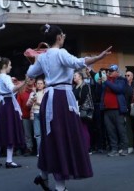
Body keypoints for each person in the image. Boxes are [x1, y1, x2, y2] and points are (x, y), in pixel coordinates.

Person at [27, 24, 112, 191]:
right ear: (58, 38)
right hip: (61, 98)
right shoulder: (60, 53)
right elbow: (79, 62)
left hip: (49, 99)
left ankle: (44, 176)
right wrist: (99, 57)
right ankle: (59, 186)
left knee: (50, 138)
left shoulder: (44, 57)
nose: (64, 37)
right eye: (63, 35)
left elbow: (30, 73)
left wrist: (37, 59)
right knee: (62, 138)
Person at [0, 57, 26, 168]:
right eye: (10, 65)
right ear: (5, 66)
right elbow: (12, 89)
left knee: (1, 130)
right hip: (8, 104)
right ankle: (9, 160)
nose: (11, 67)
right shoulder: (5, 77)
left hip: (3, 105)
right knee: (10, 129)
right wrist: (25, 82)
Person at [99, 64, 129, 157]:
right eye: (109, 71)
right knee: (110, 131)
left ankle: (124, 149)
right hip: (107, 110)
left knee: (121, 130)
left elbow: (118, 89)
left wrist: (106, 82)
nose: (109, 72)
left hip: (117, 110)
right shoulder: (106, 81)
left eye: (112, 71)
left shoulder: (121, 80)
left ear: (117, 72)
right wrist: (100, 84)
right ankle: (114, 149)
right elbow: (98, 93)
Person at [73, 70, 92, 153]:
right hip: (75, 109)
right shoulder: (74, 87)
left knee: (83, 128)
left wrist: (76, 103)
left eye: (75, 76)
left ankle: (87, 147)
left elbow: (83, 98)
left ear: (80, 76)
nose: (74, 77)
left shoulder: (85, 86)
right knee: (77, 129)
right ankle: (79, 147)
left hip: (83, 110)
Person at [16, 77, 36, 156]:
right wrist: (19, 114)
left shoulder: (38, 87)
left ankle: (38, 148)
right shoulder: (21, 90)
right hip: (25, 115)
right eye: (28, 79)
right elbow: (18, 104)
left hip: (36, 115)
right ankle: (29, 148)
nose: (30, 80)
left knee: (37, 133)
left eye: (31, 79)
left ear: (34, 80)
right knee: (27, 134)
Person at [28, 78, 46, 156]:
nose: (39, 85)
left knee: (45, 132)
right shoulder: (32, 93)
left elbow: (45, 105)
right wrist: (31, 101)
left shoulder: (46, 93)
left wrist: (37, 102)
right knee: (38, 134)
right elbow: (27, 104)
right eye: (38, 83)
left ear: (44, 85)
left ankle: (46, 151)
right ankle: (39, 151)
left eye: (41, 83)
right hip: (35, 113)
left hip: (44, 114)